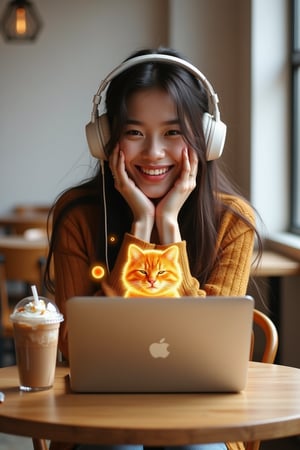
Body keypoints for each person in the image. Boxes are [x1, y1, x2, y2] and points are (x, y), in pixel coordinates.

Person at [45, 47, 261, 450]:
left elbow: (211, 350)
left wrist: (169, 226)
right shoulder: (77, 215)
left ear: (205, 139)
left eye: (173, 132)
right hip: (98, 414)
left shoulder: (233, 221)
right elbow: (74, 349)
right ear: (106, 140)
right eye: (135, 132)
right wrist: (141, 229)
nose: (154, 153)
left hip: (203, 415)